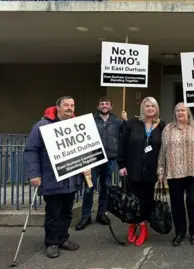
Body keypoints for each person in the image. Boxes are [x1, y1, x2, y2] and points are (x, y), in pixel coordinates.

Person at [24, 96, 91, 259]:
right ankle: (52, 243)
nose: (70, 108)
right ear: (58, 108)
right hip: (51, 178)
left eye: (72, 105)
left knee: (67, 212)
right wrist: (34, 174)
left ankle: (63, 238)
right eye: (66, 105)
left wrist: (87, 164)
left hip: (71, 179)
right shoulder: (42, 126)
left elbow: (84, 149)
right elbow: (31, 150)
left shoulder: (77, 125)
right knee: (54, 212)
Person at [157, 102, 194, 247]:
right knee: (176, 204)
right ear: (174, 113)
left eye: (183, 110)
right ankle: (180, 233)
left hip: (192, 171)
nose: (180, 112)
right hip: (174, 173)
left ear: (188, 112)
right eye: (178, 110)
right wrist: (161, 170)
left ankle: (193, 232)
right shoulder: (167, 129)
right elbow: (162, 151)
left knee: (193, 202)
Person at [117, 96, 166, 246]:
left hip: (151, 170)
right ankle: (133, 224)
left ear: (156, 109)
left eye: (153, 106)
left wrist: (162, 170)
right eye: (147, 106)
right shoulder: (133, 123)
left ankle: (143, 227)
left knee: (146, 199)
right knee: (133, 199)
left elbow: (165, 149)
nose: (150, 108)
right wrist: (122, 165)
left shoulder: (162, 125)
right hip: (133, 168)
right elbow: (122, 143)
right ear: (142, 108)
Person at [76, 96, 127, 230]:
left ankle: (101, 213)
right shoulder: (90, 120)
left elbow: (126, 135)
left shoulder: (117, 121)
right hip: (92, 159)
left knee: (106, 187)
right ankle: (86, 216)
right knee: (89, 188)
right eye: (102, 104)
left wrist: (126, 121)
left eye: (107, 103)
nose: (104, 105)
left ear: (111, 106)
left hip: (110, 158)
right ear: (98, 106)